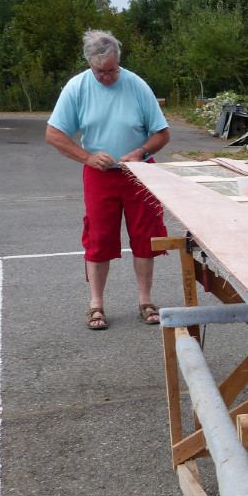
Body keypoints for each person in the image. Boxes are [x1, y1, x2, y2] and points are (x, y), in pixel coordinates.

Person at [46, 29, 171, 329]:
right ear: (89, 64)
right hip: (99, 175)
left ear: (119, 61)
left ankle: (145, 300)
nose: (106, 77)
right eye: (99, 71)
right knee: (99, 239)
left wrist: (140, 151)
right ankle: (96, 305)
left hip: (140, 174)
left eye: (112, 70)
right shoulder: (77, 88)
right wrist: (87, 157)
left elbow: (162, 134)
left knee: (145, 237)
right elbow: (53, 134)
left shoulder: (137, 86)